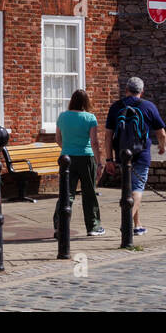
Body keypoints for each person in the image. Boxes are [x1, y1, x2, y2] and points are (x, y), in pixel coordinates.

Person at [101, 76, 166, 236]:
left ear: (126, 90)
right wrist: (162, 147)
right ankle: (126, 222)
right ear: (142, 92)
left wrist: (109, 159)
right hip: (142, 154)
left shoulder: (116, 107)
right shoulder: (148, 106)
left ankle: (137, 225)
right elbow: (162, 133)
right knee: (137, 189)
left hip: (123, 154)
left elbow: (108, 136)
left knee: (129, 189)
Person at [55, 89, 105, 236]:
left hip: (67, 158)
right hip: (86, 157)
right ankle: (93, 227)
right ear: (86, 102)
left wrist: (67, 148)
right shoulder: (90, 118)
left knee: (66, 193)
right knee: (89, 193)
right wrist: (99, 162)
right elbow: (94, 142)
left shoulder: (63, 116)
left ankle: (60, 226)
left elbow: (58, 138)